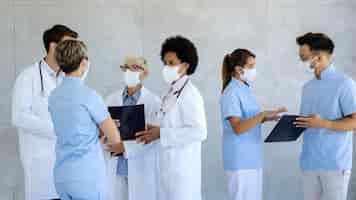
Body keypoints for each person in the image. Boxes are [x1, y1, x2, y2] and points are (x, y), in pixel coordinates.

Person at [48, 40, 124, 200]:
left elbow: (72, 128)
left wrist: (96, 130)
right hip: (86, 177)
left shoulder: (53, 96)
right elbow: (115, 138)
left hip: (62, 175)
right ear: (83, 62)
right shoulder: (89, 96)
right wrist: (107, 128)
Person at [136, 36, 207, 200]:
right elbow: (166, 123)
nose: (167, 67)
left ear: (185, 65)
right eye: (165, 63)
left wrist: (162, 133)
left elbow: (200, 132)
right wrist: (151, 128)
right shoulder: (169, 93)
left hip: (182, 173)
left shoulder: (191, 94)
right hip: (167, 169)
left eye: (171, 63)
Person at [11, 24, 78, 200]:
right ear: (53, 46)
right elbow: (19, 116)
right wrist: (56, 129)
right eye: (68, 46)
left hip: (69, 165)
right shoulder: (28, 77)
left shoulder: (69, 78)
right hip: (41, 164)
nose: (72, 51)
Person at [295, 34, 356, 200]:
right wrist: (289, 123)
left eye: (303, 57)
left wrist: (324, 123)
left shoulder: (345, 84)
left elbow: (354, 121)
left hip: (334, 165)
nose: (300, 61)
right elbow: (307, 122)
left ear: (318, 57)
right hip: (309, 163)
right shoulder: (307, 88)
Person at [220, 48, 286, 200]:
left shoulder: (245, 89)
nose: (254, 70)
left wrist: (267, 117)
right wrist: (261, 115)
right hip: (240, 162)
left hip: (253, 159)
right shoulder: (231, 92)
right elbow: (237, 127)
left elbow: (249, 120)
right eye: (251, 66)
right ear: (238, 69)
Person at [103, 56, 161, 200]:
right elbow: (102, 131)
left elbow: (153, 137)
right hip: (115, 166)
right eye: (126, 67)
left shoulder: (154, 101)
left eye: (135, 68)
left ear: (145, 73)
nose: (129, 71)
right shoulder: (110, 99)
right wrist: (107, 140)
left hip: (141, 166)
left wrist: (125, 147)